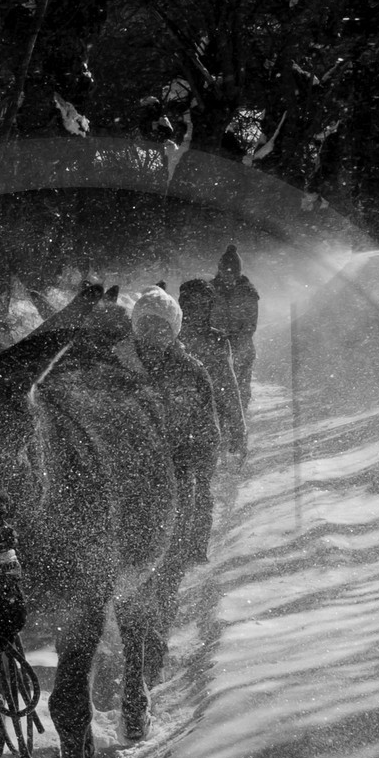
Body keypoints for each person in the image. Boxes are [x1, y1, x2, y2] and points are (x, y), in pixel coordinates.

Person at [129, 285, 221, 570]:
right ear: (135, 326)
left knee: (172, 552)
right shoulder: (118, 367)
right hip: (130, 475)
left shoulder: (190, 371)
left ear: (174, 329)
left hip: (177, 472)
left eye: (161, 326)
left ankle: (174, 574)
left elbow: (207, 428)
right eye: (146, 324)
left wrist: (199, 465)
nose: (153, 333)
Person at [178, 276, 246, 456]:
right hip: (174, 427)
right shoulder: (167, 339)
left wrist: (239, 429)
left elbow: (229, 388)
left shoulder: (217, 340)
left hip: (207, 425)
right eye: (192, 304)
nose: (198, 310)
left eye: (203, 304)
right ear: (182, 306)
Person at [209, 244, 260, 412]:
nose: (229, 277)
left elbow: (250, 325)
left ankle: (240, 424)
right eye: (226, 272)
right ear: (220, 270)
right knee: (216, 394)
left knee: (240, 392)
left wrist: (234, 338)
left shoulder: (248, 293)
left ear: (238, 273)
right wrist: (218, 337)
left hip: (241, 350)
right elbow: (204, 318)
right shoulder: (209, 291)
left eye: (233, 273)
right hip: (216, 349)